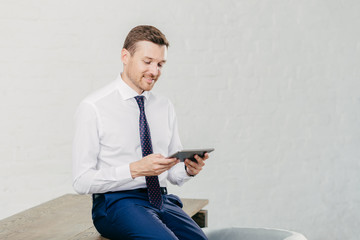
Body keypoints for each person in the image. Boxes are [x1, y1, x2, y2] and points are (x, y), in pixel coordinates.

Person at [72, 25, 209, 240]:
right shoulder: (94, 107)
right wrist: (135, 170)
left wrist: (188, 169)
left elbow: (172, 173)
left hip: (161, 200)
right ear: (125, 56)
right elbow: (81, 181)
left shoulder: (164, 106)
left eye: (160, 64)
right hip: (116, 203)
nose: (154, 72)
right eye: (147, 62)